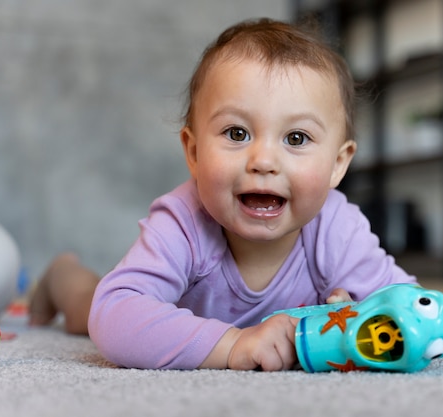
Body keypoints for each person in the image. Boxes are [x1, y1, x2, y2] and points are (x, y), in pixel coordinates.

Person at [29, 18, 417, 371]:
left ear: (338, 163)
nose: (263, 160)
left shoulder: (336, 228)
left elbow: (411, 307)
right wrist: (233, 344)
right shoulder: (184, 221)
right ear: (194, 153)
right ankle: (62, 274)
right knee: (87, 310)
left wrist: (361, 317)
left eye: (296, 138)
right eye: (237, 133)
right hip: (163, 317)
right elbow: (114, 314)